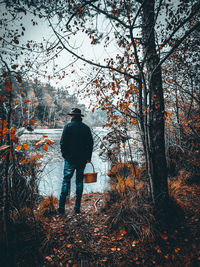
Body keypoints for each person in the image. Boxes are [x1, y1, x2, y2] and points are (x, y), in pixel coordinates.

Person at [58, 108, 94, 214]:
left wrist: (65, 156)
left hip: (70, 159)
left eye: (71, 115)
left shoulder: (68, 127)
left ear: (72, 116)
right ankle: (77, 208)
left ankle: (61, 207)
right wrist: (88, 157)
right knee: (79, 182)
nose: (70, 117)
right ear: (80, 117)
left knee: (66, 181)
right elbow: (90, 144)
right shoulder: (86, 128)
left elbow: (62, 143)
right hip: (82, 160)